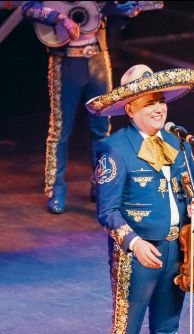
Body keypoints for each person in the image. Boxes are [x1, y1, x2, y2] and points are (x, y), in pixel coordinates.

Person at [86, 64, 194, 334]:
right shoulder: (114, 147)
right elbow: (108, 210)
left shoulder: (177, 142)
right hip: (137, 254)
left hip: (177, 247)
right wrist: (134, 243)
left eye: (161, 101)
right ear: (130, 109)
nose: (159, 108)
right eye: (149, 102)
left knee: (167, 331)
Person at [22, 1, 142, 213]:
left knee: (101, 128)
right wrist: (60, 18)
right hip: (66, 62)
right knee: (60, 129)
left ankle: (102, 184)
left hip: (98, 59)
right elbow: (28, 7)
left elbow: (109, 12)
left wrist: (125, 13)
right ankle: (55, 189)